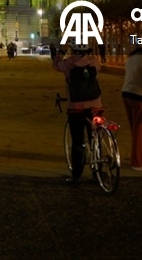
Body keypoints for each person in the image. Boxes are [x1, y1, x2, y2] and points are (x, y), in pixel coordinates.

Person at [52, 43, 102, 184]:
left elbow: (55, 65)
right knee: (96, 138)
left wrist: (61, 51)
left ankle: (76, 175)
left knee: (77, 142)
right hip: (96, 105)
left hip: (76, 107)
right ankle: (97, 172)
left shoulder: (68, 63)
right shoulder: (94, 62)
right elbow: (99, 70)